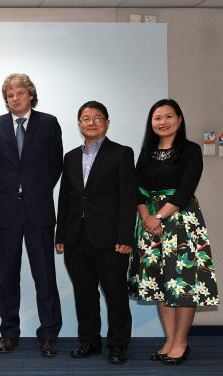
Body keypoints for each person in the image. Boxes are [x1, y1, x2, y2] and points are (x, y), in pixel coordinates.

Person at [129, 99, 219, 365]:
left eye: (169, 116)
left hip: (181, 221)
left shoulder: (190, 150)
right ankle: (169, 340)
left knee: (183, 283)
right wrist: (147, 217)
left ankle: (181, 342)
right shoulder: (146, 151)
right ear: (151, 123)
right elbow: (136, 187)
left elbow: (186, 187)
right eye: (157, 118)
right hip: (150, 225)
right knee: (160, 283)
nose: (163, 122)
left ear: (179, 120)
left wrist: (158, 216)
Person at [0, 73, 63, 356]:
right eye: (9, 95)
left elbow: (56, 164)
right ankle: (9, 333)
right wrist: (10, 188)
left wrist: (35, 189)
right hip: (7, 210)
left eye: (19, 93)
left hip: (38, 209)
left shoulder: (49, 123)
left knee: (45, 274)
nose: (14, 99)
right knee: (8, 275)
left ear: (30, 95)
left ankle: (49, 334)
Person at [55, 101, 136, 364]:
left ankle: (118, 345)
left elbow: (128, 198)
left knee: (115, 295)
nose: (91, 122)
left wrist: (126, 237)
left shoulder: (122, 153)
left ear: (107, 123)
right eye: (86, 118)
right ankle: (90, 342)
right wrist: (61, 235)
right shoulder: (70, 157)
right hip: (76, 238)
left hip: (110, 239)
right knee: (84, 294)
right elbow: (65, 199)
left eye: (97, 118)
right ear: (79, 125)